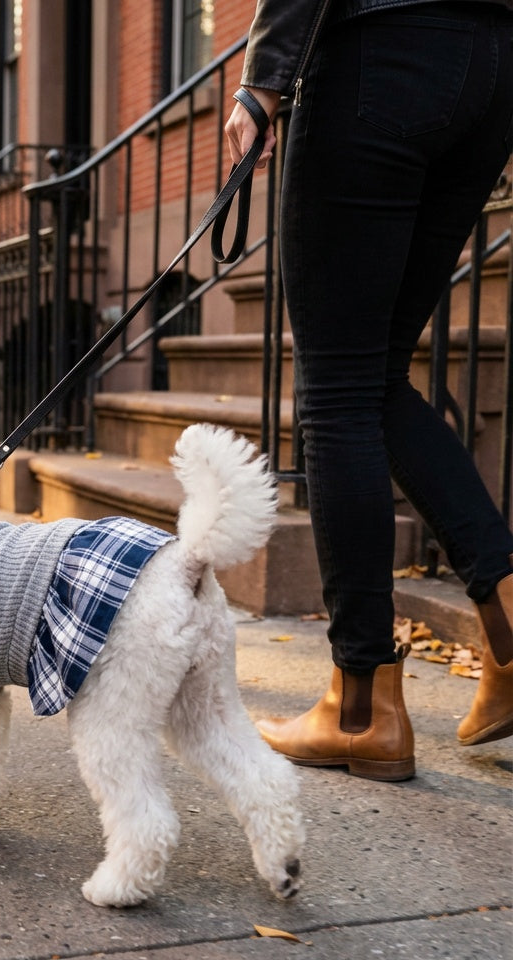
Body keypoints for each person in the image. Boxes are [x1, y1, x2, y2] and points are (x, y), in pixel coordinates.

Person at [224, 0, 513, 781]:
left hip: (378, 54)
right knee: (375, 374)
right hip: (491, 68)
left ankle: (361, 709)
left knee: (338, 390)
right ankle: (509, 615)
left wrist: (263, 80)